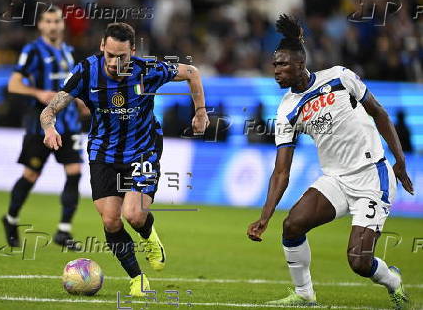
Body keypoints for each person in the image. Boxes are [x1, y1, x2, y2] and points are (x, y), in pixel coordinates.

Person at [247, 15, 414, 309]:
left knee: (359, 262)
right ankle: (304, 294)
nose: (276, 71)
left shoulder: (339, 77)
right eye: (274, 65)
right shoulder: (287, 109)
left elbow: (380, 114)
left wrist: (399, 161)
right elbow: (281, 170)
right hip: (336, 180)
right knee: (292, 226)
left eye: (282, 64)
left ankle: (393, 280)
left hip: (372, 177)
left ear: (300, 63)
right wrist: (265, 215)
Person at [40, 22, 209, 296]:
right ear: (102, 47)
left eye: (122, 57)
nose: (115, 63)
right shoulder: (86, 71)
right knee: (110, 221)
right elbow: (50, 109)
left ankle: (149, 235)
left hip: (143, 149)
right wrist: (49, 127)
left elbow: (192, 72)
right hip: (103, 152)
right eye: (110, 55)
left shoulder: (148, 69)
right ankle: (137, 278)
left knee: (134, 215)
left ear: (133, 51)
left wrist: (200, 112)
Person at [2, 6, 87, 250]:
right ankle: (11, 219)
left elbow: (71, 86)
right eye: (48, 21)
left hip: (69, 124)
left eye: (57, 21)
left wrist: (80, 103)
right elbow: (14, 84)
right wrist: (38, 92)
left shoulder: (69, 52)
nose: (53, 25)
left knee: (75, 172)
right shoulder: (32, 51)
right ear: (40, 25)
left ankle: (63, 230)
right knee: (31, 174)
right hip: (40, 126)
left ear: (62, 25)